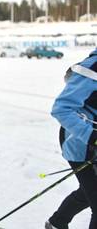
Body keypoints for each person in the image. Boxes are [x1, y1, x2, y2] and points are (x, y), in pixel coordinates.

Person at [46, 48, 97, 229]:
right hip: (80, 144)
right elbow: (61, 109)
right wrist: (92, 137)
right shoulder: (92, 68)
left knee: (88, 192)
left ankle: (56, 223)